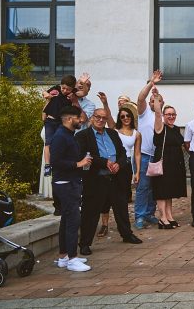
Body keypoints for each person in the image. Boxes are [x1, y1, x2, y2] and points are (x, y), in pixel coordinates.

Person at [75, 105, 142, 255]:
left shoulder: (112, 133)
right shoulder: (82, 136)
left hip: (116, 177)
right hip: (96, 179)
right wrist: (104, 162)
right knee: (90, 212)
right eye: (97, 117)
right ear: (92, 118)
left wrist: (119, 163)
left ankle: (127, 234)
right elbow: (84, 155)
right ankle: (85, 243)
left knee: (121, 208)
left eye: (103, 118)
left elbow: (123, 153)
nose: (100, 120)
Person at [51, 105, 94, 271]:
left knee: (67, 220)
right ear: (69, 119)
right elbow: (55, 161)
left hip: (71, 182)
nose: (80, 120)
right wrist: (78, 163)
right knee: (73, 221)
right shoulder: (61, 136)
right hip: (65, 183)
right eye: (77, 118)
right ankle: (72, 259)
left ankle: (64, 256)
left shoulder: (68, 135)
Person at [95, 97, 141, 238]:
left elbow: (137, 154)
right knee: (105, 197)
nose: (125, 118)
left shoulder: (136, 133)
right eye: (122, 116)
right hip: (110, 164)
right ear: (119, 118)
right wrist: (105, 103)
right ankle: (104, 225)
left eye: (128, 116)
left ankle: (124, 229)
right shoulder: (114, 130)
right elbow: (107, 116)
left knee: (121, 198)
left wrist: (137, 171)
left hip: (125, 165)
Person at [151, 95, 186, 228]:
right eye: (168, 114)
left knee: (170, 191)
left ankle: (170, 216)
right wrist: (155, 98)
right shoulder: (160, 127)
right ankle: (162, 218)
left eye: (173, 114)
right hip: (163, 162)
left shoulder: (176, 129)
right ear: (164, 116)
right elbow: (157, 114)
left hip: (174, 163)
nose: (171, 117)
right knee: (162, 190)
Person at [133, 71, 162, 229]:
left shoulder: (163, 117)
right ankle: (139, 216)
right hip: (143, 156)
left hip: (157, 157)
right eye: (151, 100)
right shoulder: (144, 114)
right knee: (143, 187)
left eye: (157, 100)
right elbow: (140, 98)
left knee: (153, 188)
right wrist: (151, 83)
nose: (153, 102)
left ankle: (150, 213)